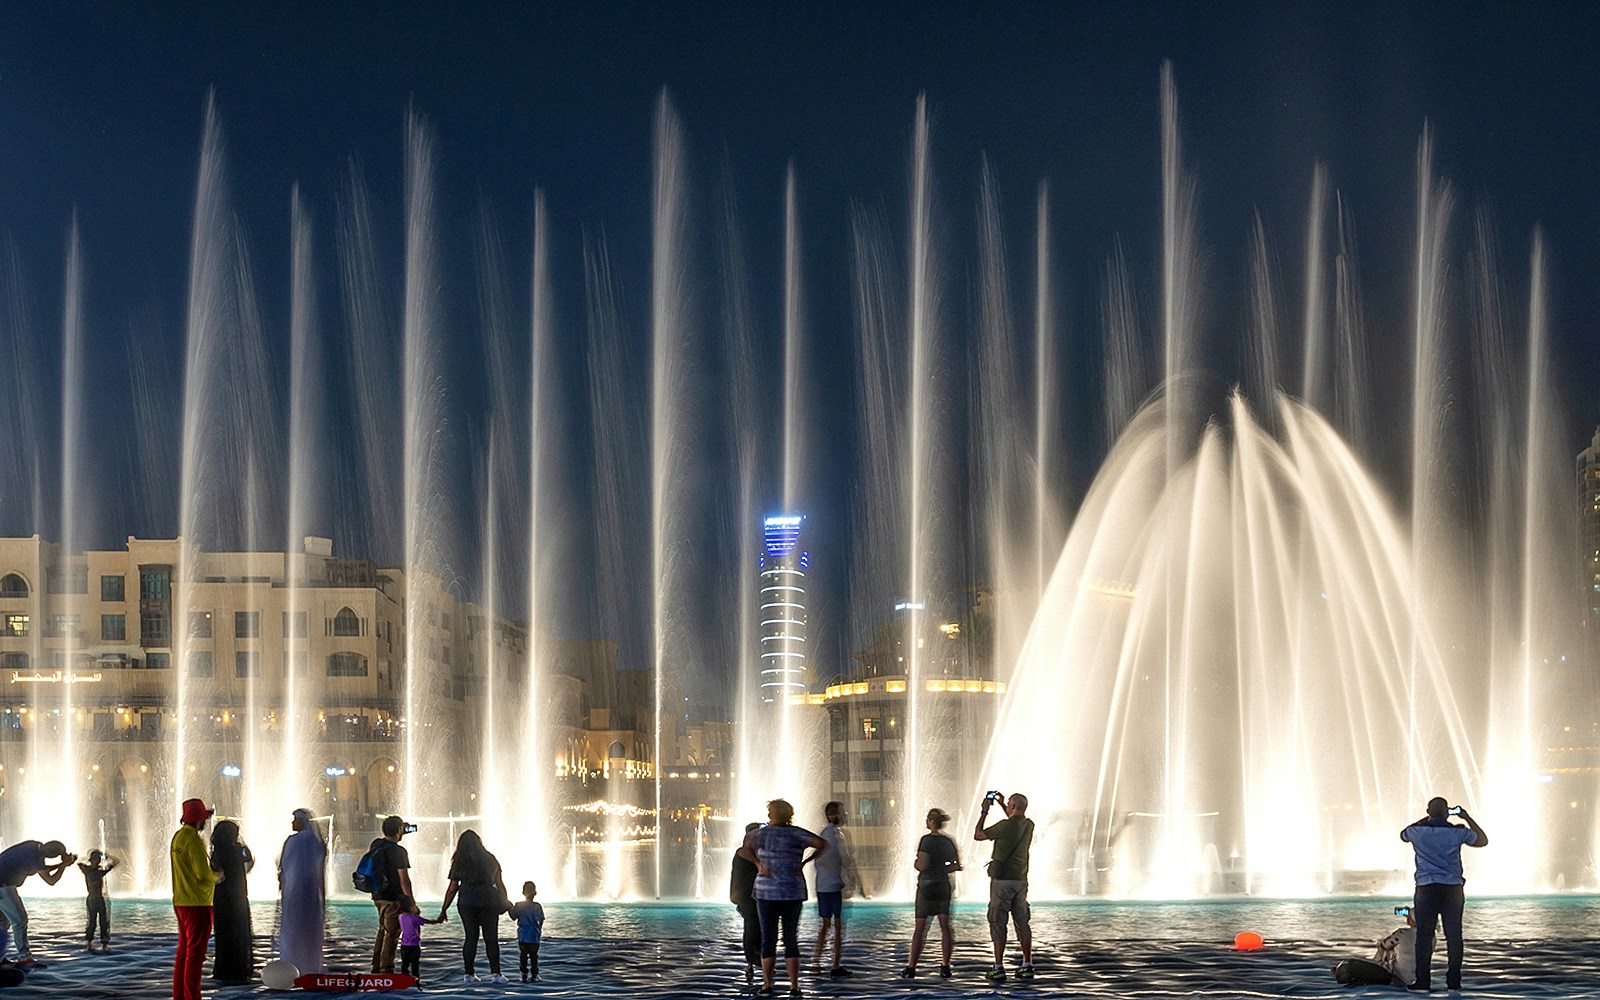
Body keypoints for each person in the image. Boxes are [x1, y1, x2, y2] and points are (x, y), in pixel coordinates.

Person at [736, 798, 826, 998]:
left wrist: (757, 862)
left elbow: (743, 849)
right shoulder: (798, 834)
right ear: (789, 815)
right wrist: (805, 862)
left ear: (770, 815)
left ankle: (767, 984)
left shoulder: (757, 835)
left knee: (768, 938)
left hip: (766, 892)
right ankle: (794, 986)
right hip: (792, 891)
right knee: (790, 938)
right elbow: (821, 844)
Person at [1400, 797, 1489, 991]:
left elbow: (1403, 834)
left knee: (1423, 936)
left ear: (1428, 811)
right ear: (1447, 812)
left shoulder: (1418, 832)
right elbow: (1482, 840)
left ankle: (1423, 981)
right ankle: (1454, 982)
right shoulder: (1457, 832)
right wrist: (1466, 817)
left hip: (1426, 888)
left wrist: (1428, 818)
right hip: (1452, 889)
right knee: (1454, 936)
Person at [974, 789, 1035, 982]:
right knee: (1022, 922)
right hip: (1021, 881)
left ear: (1014, 806)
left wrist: (984, 811)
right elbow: (1013, 819)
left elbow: (978, 835)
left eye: (1009, 804)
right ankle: (1027, 964)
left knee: (998, 922)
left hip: (1002, 882)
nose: (1007, 806)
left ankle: (998, 966)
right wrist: (1001, 803)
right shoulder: (1029, 825)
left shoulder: (1003, 826)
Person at [437, 829, 510, 985]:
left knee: (471, 938)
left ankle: (469, 975)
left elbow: (452, 888)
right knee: (491, 939)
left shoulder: (459, 861)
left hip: (467, 903)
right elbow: (499, 883)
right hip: (489, 902)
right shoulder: (491, 859)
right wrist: (505, 901)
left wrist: (444, 909)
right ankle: (496, 974)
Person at [901, 807, 960, 979]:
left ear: (932, 822)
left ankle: (911, 967)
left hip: (927, 886)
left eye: (928, 819)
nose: (926, 822)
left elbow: (922, 865)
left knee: (920, 928)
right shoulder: (948, 842)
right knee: (945, 927)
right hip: (943, 885)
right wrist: (942, 867)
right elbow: (957, 865)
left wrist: (915, 863)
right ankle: (945, 966)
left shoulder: (926, 841)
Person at [171, 798, 221, 1000]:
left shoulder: (178, 838)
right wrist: (218, 877)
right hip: (198, 903)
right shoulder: (193, 840)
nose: (205, 823)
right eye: (204, 819)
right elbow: (203, 874)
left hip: (181, 902)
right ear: (199, 819)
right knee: (195, 955)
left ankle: (180, 995)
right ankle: (193, 996)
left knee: (183, 954)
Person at [811, 801, 867, 977]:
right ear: (832, 815)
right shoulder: (836, 835)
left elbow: (819, 858)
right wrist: (855, 882)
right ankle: (834, 966)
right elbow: (846, 860)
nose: (844, 815)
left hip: (823, 886)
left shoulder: (824, 834)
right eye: (841, 812)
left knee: (826, 926)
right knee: (838, 927)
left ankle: (816, 962)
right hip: (835, 886)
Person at [0, 839, 75, 970]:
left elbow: (42, 869)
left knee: (3, 923)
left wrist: (62, 864)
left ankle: (1, 959)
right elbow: (51, 880)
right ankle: (24, 958)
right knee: (19, 920)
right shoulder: (35, 857)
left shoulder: (33, 846)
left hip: (3, 883)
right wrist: (63, 865)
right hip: (3, 886)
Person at [276, 808, 327, 975]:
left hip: (294, 895)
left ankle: (292, 963)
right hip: (312, 895)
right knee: (309, 931)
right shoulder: (317, 842)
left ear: (303, 822)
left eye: (295, 819)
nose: (292, 823)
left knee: (293, 929)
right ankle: (310, 967)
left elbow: (284, 869)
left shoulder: (293, 841)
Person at [209, 819, 256, 985]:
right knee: (239, 932)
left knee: (224, 934)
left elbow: (214, 872)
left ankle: (224, 968)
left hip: (221, 898)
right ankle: (240, 968)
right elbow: (249, 861)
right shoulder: (238, 850)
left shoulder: (216, 852)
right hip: (238, 896)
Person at [368, 815, 414, 975]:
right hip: (393, 898)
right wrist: (411, 903)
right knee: (392, 933)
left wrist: (399, 830)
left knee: (382, 930)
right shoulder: (399, 852)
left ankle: (376, 967)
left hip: (378, 896)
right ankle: (386, 970)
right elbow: (404, 880)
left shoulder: (376, 844)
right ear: (399, 830)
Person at [729, 821, 761, 985]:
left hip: (752, 896)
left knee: (755, 927)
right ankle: (752, 961)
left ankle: (755, 960)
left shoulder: (750, 852)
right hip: (747, 897)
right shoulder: (744, 852)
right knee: (751, 926)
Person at [79, 850, 119, 952]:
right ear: (91, 859)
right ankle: (89, 943)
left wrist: (107, 856)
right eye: (94, 859)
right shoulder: (86, 869)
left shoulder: (100, 872)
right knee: (92, 921)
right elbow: (78, 861)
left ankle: (104, 944)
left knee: (104, 922)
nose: (97, 861)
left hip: (100, 899)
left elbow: (116, 862)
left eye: (98, 859)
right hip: (91, 899)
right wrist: (89, 856)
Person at [508, 880, 545, 982]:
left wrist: (509, 908)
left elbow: (513, 917)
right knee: (534, 956)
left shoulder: (518, 905)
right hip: (534, 936)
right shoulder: (537, 906)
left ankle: (523, 973)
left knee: (523, 955)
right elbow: (540, 920)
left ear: (523, 892)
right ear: (535, 893)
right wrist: (539, 929)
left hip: (522, 935)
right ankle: (534, 974)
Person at [397, 895, 439, 980]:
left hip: (404, 945)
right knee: (415, 964)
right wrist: (438, 921)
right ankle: (416, 980)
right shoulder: (415, 918)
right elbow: (429, 922)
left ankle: (404, 979)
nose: (417, 907)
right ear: (410, 908)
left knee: (404, 964)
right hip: (414, 946)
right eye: (414, 905)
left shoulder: (401, 916)